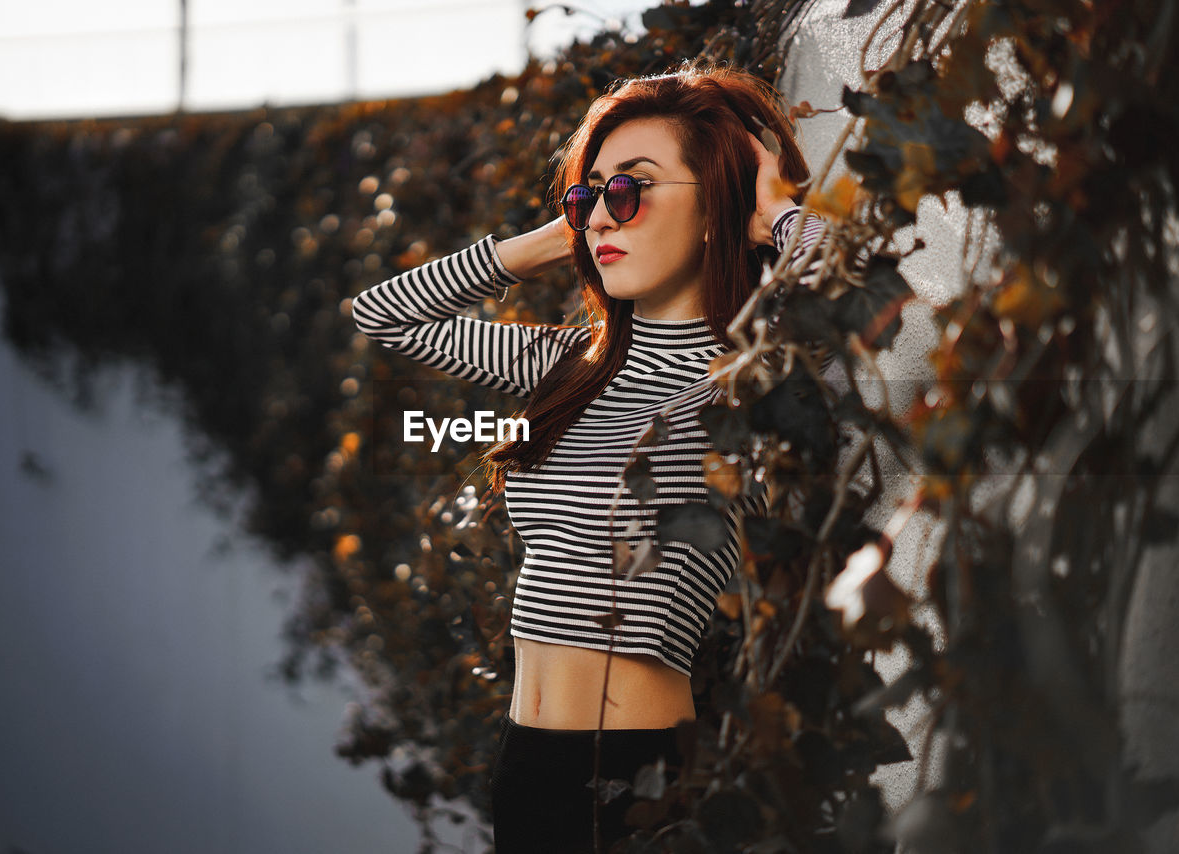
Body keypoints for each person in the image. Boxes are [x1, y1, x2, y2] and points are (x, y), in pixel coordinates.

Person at [351, 61, 825, 854]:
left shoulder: (747, 377)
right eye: (589, 194)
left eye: (631, 190)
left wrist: (776, 212)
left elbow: (870, 308)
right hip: (527, 763)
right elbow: (384, 315)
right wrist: (548, 240)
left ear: (716, 209)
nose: (604, 218)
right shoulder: (571, 366)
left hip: (635, 776)